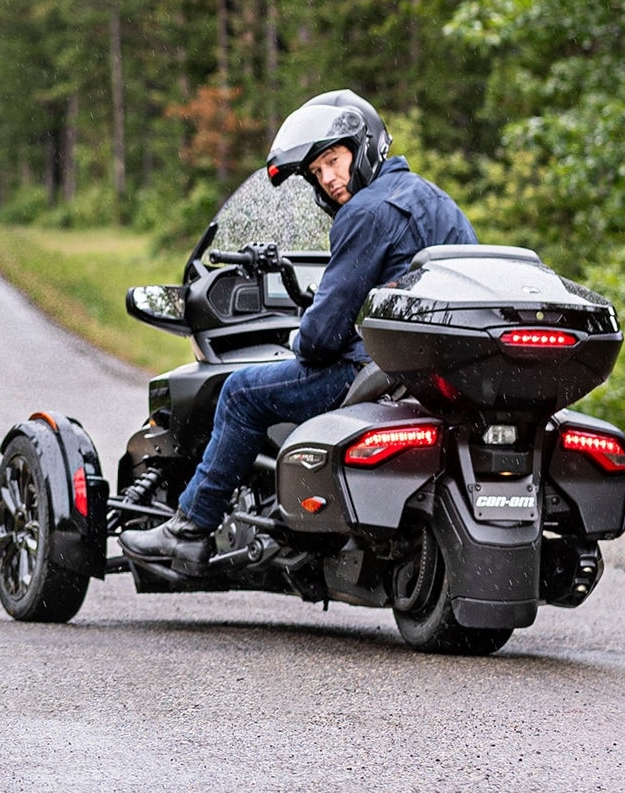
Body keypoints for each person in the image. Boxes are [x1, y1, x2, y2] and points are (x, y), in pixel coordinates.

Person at [121, 89, 477, 565]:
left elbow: (321, 339)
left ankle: (191, 527)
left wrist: (299, 335)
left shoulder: (366, 211)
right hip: (433, 371)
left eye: (334, 160)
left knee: (240, 394)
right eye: (317, 172)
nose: (329, 179)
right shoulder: (436, 201)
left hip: (373, 373)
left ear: (364, 147)